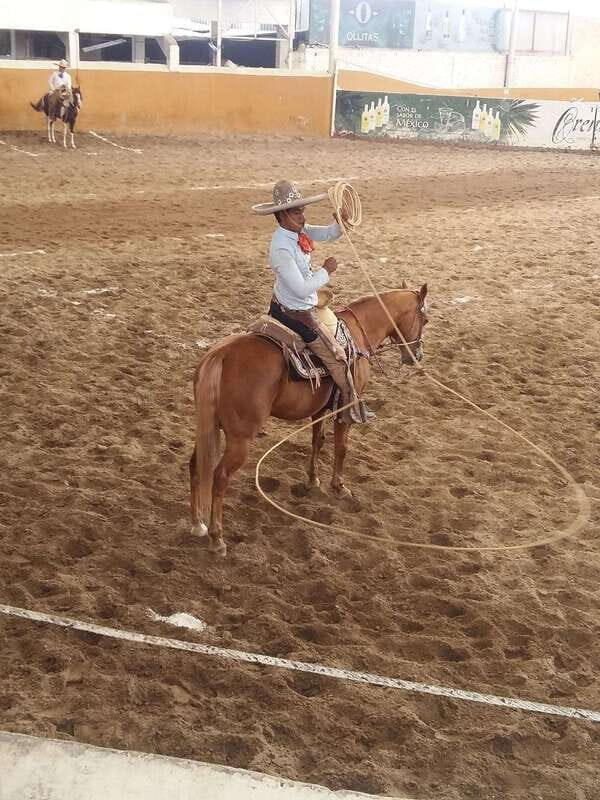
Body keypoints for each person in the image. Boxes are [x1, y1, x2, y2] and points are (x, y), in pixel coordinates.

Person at [253, 179, 373, 425]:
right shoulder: (281, 249)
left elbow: (328, 233)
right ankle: (349, 406)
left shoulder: (298, 231)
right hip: (297, 312)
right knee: (338, 359)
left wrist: (340, 222)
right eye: (297, 212)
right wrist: (326, 271)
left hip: (288, 303)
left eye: (302, 210)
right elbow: (301, 289)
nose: (303, 216)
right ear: (283, 215)